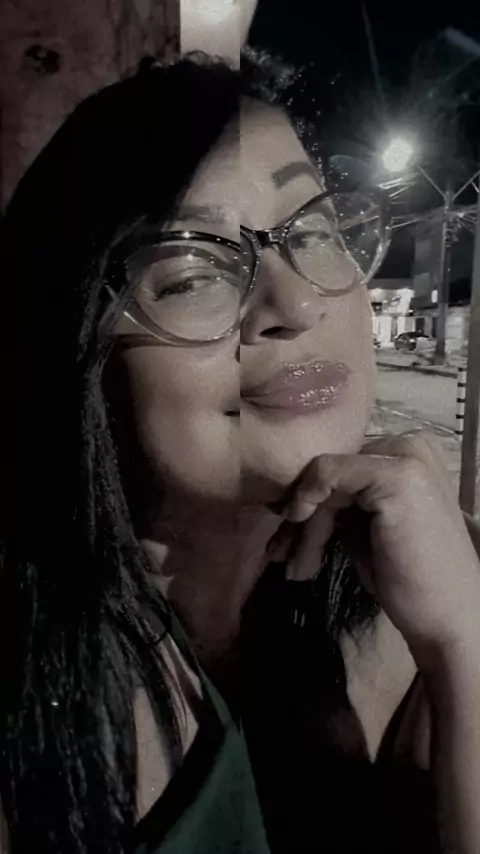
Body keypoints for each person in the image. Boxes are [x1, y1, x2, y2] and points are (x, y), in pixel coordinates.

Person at [1, 49, 480, 854]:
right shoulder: (38, 700)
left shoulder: (420, 584)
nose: (295, 302)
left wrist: (463, 642)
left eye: (313, 232)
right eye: (191, 272)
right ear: (75, 344)